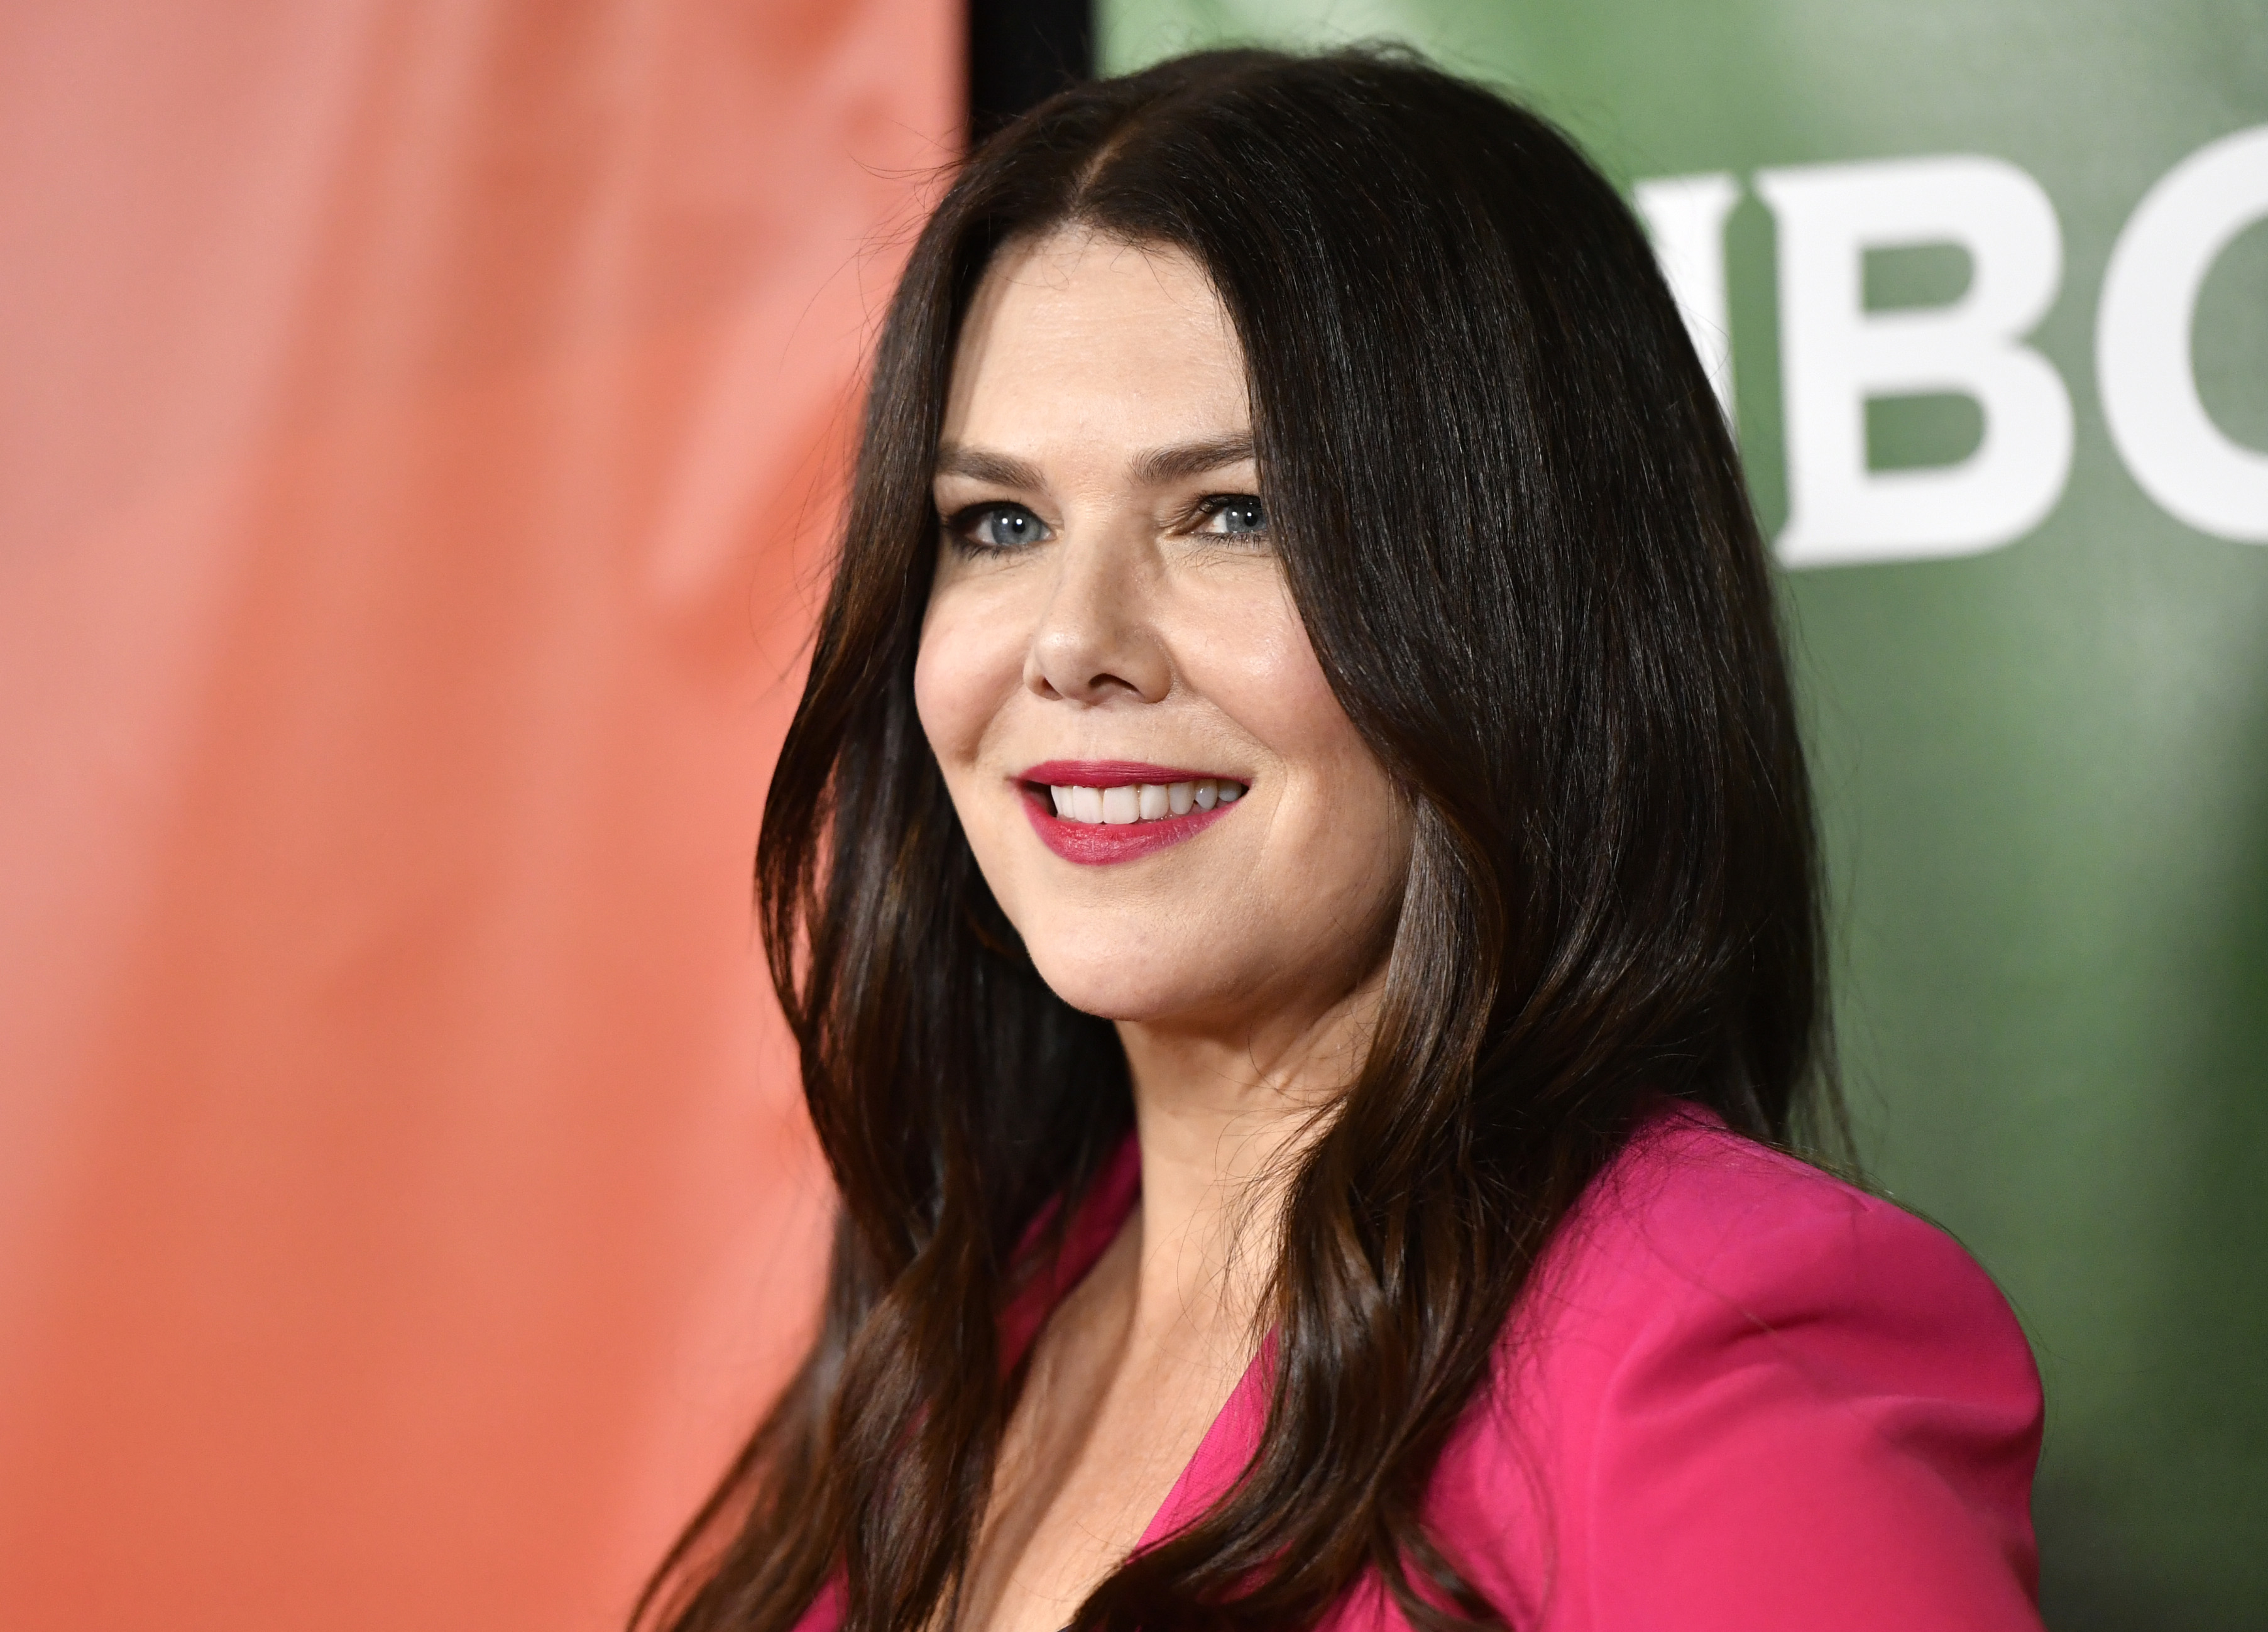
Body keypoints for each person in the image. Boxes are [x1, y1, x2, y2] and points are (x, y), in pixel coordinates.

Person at [635, 47, 2045, 1632]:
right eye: (999, 524)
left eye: (1232, 512)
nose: (1071, 642)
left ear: (1518, 605)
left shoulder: (1709, 1345)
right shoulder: (963, 1331)